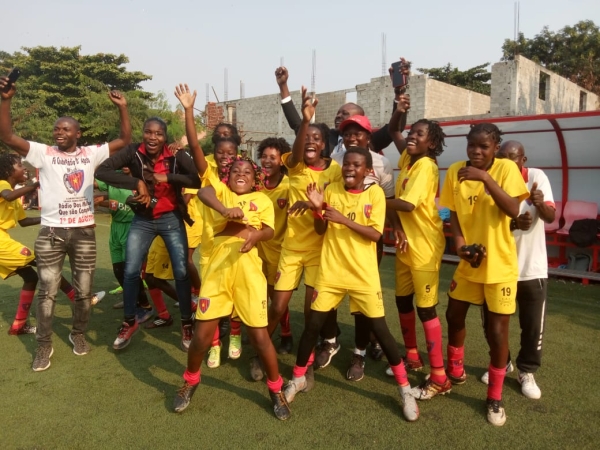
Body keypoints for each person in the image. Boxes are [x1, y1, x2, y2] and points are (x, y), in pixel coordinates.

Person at [0, 77, 130, 371]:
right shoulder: (44, 153)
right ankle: (44, 347)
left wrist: (122, 107)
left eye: (65, 129)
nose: (58, 132)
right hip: (51, 234)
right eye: (56, 128)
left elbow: (123, 139)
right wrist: (5, 100)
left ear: (77, 134)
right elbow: (7, 136)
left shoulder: (90, 154)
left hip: (83, 233)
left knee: (84, 292)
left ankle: (78, 334)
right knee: (47, 292)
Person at [283, 147, 419, 422]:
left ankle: (405, 390)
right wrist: (319, 209)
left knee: (380, 330)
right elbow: (322, 230)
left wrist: (343, 220)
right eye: (347, 164)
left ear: (368, 170)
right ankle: (297, 378)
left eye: (357, 165)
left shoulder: (375, 194)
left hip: (363, 275)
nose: (349, 169)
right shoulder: (331, 190)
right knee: (312, 326)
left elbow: (374, 234)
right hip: (331, 272)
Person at [173, 155, 291, 421]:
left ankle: (275, 389)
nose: (241, 174)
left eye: (247, 171)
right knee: (202, 336)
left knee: (260, 337)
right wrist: (225, 210)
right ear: (228, 176)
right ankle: (191, 381)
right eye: (236, 170)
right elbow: (203, 191)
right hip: (218, 270)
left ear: (255, 178)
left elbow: (270, 231)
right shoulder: (221, 192)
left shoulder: (261, 200)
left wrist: (256, 235)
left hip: (248, 271)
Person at [439, 123, 529, 426]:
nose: (476, 152)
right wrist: (462, 248)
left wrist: (485, 178)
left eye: (484, 147)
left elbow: (514, 210)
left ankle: (494, 397)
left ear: (495, 146)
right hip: (469, 262)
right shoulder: (454, 171)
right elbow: (452, 215)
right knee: (453, 314)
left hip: (500, 265)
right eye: (471, 146)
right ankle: (455, 370)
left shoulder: (505, 169)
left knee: (496, 331)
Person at [95, 117, 200, 351]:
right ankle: (130, 321)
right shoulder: (133, 152)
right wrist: (135, 182)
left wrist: (169, 177)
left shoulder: (175, 154)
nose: (153, 137)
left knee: (181, 272)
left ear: (165, 137)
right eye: (148, 132)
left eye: (158, 134)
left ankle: (186, 323)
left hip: (171, 218)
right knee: (131, 271)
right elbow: (102, 171)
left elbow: (197, 179)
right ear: (143, 134)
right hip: (143, 219)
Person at [260, 86, 342, 383]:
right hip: (292, 250)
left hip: (320, 251)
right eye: (307, 138)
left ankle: (304, 363)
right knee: (278, 306)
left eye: (316, 139)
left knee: (311, 313)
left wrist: (312, 205)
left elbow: (328, 217)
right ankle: (262, 354)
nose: (310, 142)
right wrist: (305, 121)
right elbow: (295, 151)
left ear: (324, 145)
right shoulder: (294, 167)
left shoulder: (335, 172)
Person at [315, 114, 396, 380]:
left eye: (357, 133)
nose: (351, 138)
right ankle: (330, 340)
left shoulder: (383, 163)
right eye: (347, 134)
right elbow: (325, 199)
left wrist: (398, 230)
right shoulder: (334, 161)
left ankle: (359, 351)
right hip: (336, 245)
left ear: (368, 136)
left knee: (363, 302)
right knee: (330, 297)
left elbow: (386, 202)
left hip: (366, 242)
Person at [480, 140, 555, 400]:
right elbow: (486, 222)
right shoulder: (490, 180)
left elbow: (550, 217)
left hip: (531, 268)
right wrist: (513, 225)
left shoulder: (536, 177)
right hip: (498, 267)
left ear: (524, 160)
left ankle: (526, 371)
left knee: (532, 325)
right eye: (503, 157)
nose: (508, 162)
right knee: (492, 324)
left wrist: (540, 202)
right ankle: (502, 363)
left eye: (514, 157)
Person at [1, 154, 105, 339]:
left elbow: (24, 221)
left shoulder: (14, 194)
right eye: (19, 165)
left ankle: (18, 325)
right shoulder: (3, 185)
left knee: (31, 277)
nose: (24, 168)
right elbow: (7, 197)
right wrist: (34, 185)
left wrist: (53, 218)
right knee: (44, 261)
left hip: (4, 239)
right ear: (9, 170)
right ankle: (77, 296)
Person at [175, 84, 240, 368]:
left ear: (238, 153)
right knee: (209, 298)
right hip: (212, 247)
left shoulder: (246, 175)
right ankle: (214, 344)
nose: (226, 157)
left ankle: (235, 334)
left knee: (237, 292)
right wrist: (189, 110)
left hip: (238, 246)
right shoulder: (208, 172)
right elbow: (194, 145)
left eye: (231, 152)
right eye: (221, 151)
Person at [385, 114, 450, 399]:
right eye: (412, 132)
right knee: (402, 301)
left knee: (426, 309)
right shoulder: (409, 161)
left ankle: (439, 377)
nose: (411, 136)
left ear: (432, 142)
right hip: (405, 245)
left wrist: (370, 197)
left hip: (424, 247)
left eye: (420, 134)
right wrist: (399, 102)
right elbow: (393, 130)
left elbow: (408, 205)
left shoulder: (425, 166)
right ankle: (412, 356)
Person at [275, 63, 409, 156]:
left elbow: (395, 128)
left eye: (345, 114)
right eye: (338, 113)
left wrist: (399, 92)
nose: (338, 116)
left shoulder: (370, 140)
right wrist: (283, 87)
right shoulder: (327, 137)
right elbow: (298, 126)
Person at [95, 168, 151, 312]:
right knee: (118, 270)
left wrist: (106, 200)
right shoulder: (112, 177)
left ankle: (144, 304)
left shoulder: (141, 180)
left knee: (130, 271)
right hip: (115, 227)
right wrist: (101, 201)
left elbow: (140, 203)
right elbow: (93, 183)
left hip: (133, 227)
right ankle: (131, 299)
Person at [256, 137, 293, 354]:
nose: (267, 161)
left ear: (282, 161)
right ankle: (253, 331)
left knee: (276, 299)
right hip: (256, 250)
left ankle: (286, 334)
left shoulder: (288, 186)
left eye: (273, 157)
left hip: (279, 252)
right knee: (258, 294)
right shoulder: (255, 183)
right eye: (264, 156)